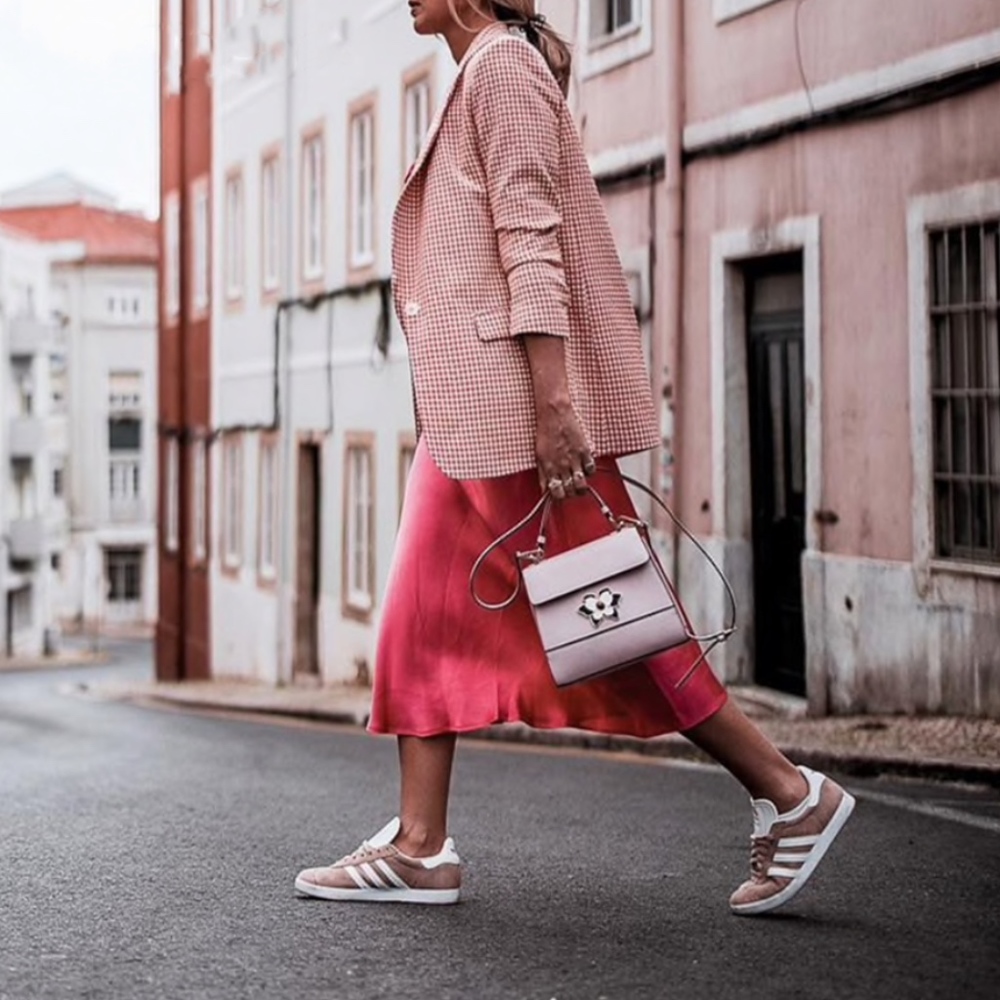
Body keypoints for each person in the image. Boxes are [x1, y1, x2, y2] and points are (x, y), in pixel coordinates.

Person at [295, 0, 854, 916]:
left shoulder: (503, 68)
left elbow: (533, 240)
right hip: (470, 420)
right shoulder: (480, 70)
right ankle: (420, 847)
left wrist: (557, 407)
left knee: (618, 619)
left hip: (517, 416)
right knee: (421, 619)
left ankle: (791, 794)